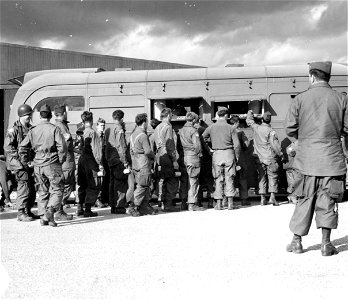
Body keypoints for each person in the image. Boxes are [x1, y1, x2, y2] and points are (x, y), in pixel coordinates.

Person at [284, 61, 348, 256]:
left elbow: (290, 128)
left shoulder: (300, 99)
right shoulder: (341, 99)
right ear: (328, 77)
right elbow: (346, 128)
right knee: (328, 200)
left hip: (306, 160)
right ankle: (326, 244)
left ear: (312, 76)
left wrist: (303, 140)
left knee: (304, 199)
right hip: (332, 160)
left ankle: (297, 242)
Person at [19, 104, 67, 227]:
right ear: (50, 116)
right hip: (52, 163)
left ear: (40, 116)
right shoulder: (54, 129)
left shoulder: (32, 130)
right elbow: (62, 147)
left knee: (43, 191)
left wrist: (27, 161)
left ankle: (43, 217)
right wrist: (60, 160)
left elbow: (23, 147)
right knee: (58, 189)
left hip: (38, 165)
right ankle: (50, 212)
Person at [3, 104, 39, 221]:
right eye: (28, 115)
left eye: (30, 115)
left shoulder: (30, 129)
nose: (30, 117)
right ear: (22, 116)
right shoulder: (13, 130)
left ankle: (28, 210)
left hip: (30, 163)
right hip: (19, 164)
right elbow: (8, 147)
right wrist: (18, 161)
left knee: (32, 187)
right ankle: (21, 212)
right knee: (23, 187)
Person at [202, 107, 240, 210]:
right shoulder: (231, 128)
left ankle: (218, 204)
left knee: (218, 178)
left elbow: (202, 138)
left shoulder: (211, 127)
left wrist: (209, 149)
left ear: (218, 116)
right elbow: (236, 145)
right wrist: (236, 157)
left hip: (217, 154)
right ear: (226, 116)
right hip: (229, 154)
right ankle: (230, 204)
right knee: (230, 177)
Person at [246, 110, 283, 206]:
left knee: (261, 177)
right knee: (273, 177)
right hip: (270, 158)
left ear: (262, 119)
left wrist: (250, 112)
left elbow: (249, 121)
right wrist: (281, 155)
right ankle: (272, 197)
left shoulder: (256, 128)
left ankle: (262, 198)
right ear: (269, 121)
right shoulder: (271, 131)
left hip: (259, 158)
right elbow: (275, 146)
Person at [129, 113, 157, 216]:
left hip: (135, 162)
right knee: (143, 185)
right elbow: (148, 151)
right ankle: (133, 206)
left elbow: (131, 151)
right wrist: (155, 157)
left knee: (144, 185)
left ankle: (144, 207)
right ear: (144, 123)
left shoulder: (132, 134)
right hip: (143, 163)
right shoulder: (143, 135)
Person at [77, 111, 103, 217]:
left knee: (82, 184)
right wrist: (99, 164)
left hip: (81, 160)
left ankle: (79, 208)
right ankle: (88, 209)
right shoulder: (92, 132)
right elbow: (96, 150)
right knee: (93, 184)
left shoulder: (81, 132)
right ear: (91, 120)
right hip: (90, 161)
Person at [154, 108, 179, 212]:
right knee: (172, 181)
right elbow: (170, 145)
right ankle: (168, 204)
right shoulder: (168, 126)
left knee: (163, 180)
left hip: (159, 156)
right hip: (167, 157)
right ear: (168, 115)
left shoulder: (158, 127)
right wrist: (174, 160)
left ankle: (162, 203)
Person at [178, 112, 205, 211]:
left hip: (185, 156)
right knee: (193, 180)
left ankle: (183, 203)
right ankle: (192, 204)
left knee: (185, 180)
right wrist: (200, 154)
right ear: (193, 120)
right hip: (193, 156)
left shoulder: (181, 130)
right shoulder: (194, 131)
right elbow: (197, 145)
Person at [105, 110, 129, 214]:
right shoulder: (119, 129)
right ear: (122, 118)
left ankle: (113, 206)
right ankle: (119, 206)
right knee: (121, 184)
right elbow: (121, 146)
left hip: (110, 160)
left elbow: (105, 145)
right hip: (118, 160)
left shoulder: (108, 129)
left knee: (112, 184)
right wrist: (125, 161)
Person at [53, 105, 74, 221]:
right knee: (66, 185)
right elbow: (66, 144)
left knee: (61, 185)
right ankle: (58, 210)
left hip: (61, 160)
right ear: (64, 113)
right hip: (66, 160)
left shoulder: (56, 125)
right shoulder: (61, 126)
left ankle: (57, 209)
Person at [230, 115, 251, 206]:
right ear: (237, 122)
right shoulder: (240, 132)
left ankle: (230, 199)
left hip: (229, 157)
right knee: (242, 178)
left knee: (229, 178)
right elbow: (246, 144)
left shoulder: (227, 131)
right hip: (240, 157)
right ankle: (244, 199)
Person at [95, 117, 109, 208]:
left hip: (103, 159)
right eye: (101, 126)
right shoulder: (95, 136)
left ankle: (102, 199)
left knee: (103, 180)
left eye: (104, 126)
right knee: (98, 180)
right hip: (97, 160)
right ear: (97, 126)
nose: (102, 127)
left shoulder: (103, 136)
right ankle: (97, 199)